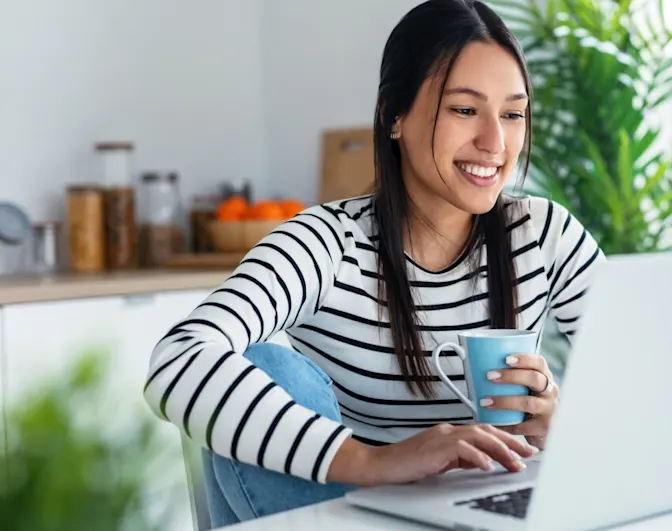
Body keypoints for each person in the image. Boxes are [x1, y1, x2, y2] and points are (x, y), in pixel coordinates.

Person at [142, 0, 604, 526]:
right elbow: (178, 358)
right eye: (464, 109)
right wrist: (370, 461)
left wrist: (560, 424)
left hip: (492, 512)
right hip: (348, 513)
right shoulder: (329, 243)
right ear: (394, 118)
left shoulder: (544, 234)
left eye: (513, 113)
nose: (496, 143)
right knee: (267, 367)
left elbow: (648, 389)